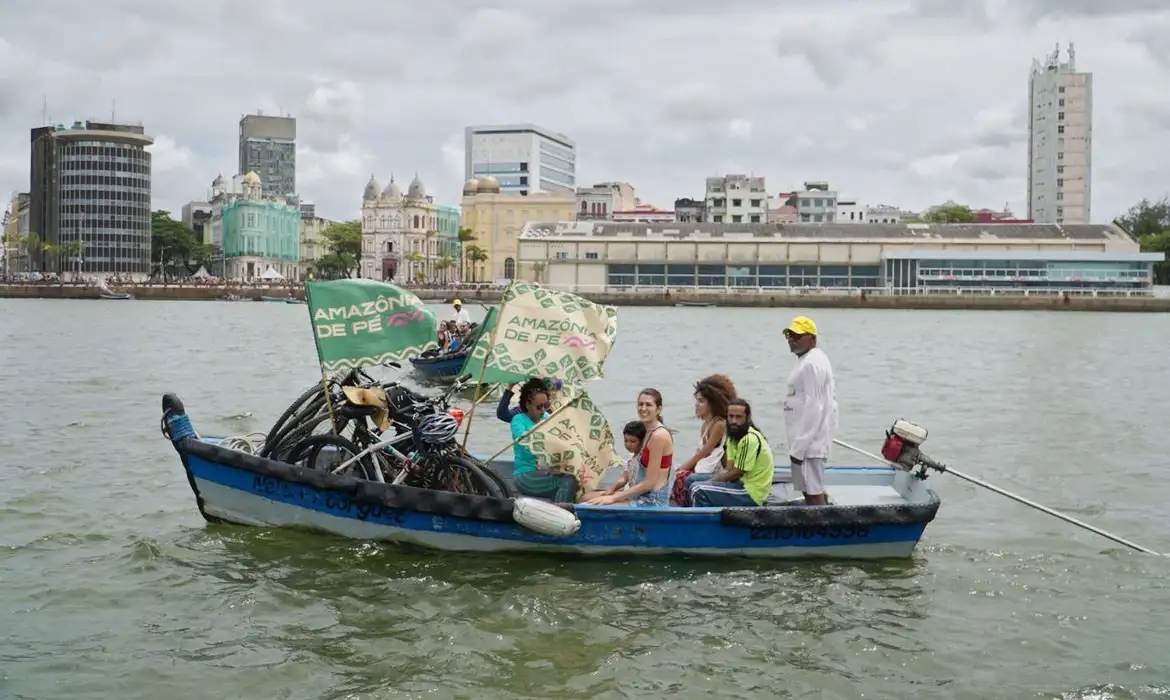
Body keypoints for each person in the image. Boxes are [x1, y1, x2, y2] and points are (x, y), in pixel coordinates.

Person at [782, 316, 839, 506]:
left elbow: (816, 405)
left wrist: (800, 447)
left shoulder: (812, 363)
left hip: (809, 445)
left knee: (813, 491)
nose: (792, 339)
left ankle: (821, 521)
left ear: (812, 339)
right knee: (805, 488)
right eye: (789, 335)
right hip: (799, 443)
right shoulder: (804, 360)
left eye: (797, 336)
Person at [584, 389, 674, 507]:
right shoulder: (646, 431)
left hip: (652, 501)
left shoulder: (659, 436)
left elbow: (649, 483)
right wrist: (610, 491)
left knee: (590, 505)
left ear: (658, 409)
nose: (643, 408)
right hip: (640, 494)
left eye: (648, 405)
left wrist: (613, 498)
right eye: (640, 404)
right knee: (586, 497)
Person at [686, 398, 774, 507]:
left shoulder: (749, 439)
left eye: (739, 417)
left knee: (697, 488)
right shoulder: (733, 436)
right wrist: (711, 482)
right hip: (738, 483)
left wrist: (710, 483)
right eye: (731, 416)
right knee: (691, 479)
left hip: (750, 492)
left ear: (747, 418)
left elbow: (736, 473)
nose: (734, 421)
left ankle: (702, 516)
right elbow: (728, 468)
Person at [670, 374, 736, 507]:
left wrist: (680, 470)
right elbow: (698, 454)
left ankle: (689, 508)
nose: (696, 405)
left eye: (701, 401)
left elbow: (703, 453)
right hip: (705, 468)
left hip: (719, 471)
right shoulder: (706, 424)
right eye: (697, 400)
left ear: (712, 403)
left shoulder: (719, 425)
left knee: (686, 478)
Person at [510, 377, 578, 502]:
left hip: (546, 470)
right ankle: (560, 512)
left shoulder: (546, 417)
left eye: (546, 406)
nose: (543, 410)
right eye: (539, 407)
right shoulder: (518, 420)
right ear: (527, 405)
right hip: (525, 475)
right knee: (567, 481)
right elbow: (527, 441)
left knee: (576, 478)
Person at [599, 421, 648, 496]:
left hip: (641, 496)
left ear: (643, 441)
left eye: (633, 441)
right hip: (631, 494)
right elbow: (623, 479)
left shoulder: (643, 458)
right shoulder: (631, 460)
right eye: (626, 440)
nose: (628, 444)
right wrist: (610, 490)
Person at [496, 377, 563, 423]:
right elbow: (503, 415)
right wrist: (510, 388)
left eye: (553, 390)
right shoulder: (526, 410)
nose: (550, 393)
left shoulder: (562, 409)